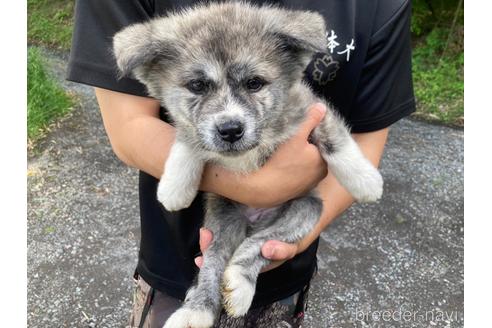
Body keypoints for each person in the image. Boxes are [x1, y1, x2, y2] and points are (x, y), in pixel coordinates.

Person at [67, 0, 415, 327]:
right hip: (172, 263)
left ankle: (247, 266)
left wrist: (292, 235)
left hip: (289, 268)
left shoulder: (378, 6)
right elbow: (129, 128)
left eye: (253, 83)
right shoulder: (160, 53)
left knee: (303, 211)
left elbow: (350, 135)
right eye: (198, 86)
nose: (228, 115)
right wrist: (253, 186)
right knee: (217, 238)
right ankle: (200, 302)